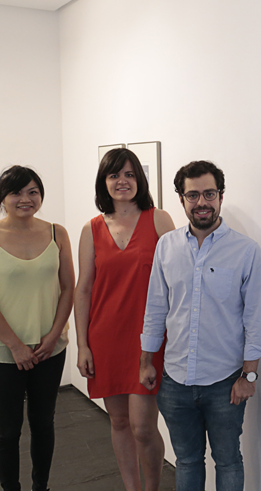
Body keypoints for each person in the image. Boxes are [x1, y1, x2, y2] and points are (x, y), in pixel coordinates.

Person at [139, 160, 261, 491]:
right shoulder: (166, 246)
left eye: (209, 194)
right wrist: (146, 362)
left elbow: (256, 317)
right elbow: (155, 307)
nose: (202, 202)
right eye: (193, 195)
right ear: (181, 199)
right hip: (175, 381)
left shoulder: (245, 251)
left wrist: (249, 375)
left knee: (227, 461)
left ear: (221, 197)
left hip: (225, 383)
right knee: (186, 461)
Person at [0, 166, 74, 491]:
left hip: (49, 349)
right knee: (8, 430)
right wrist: (15, 345)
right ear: (4, 198)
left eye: (33, 192)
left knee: (43, 424)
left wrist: (54, 335)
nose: (25, 199)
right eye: (16, 192)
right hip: (2, 353)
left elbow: (69, 287)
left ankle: (40, 486)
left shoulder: (58, 232)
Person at [74, 149, 175, 491]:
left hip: (149, 339)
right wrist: (82, 344)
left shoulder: (159, 220)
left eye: (130, 175)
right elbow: (84, 289)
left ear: (139, 180)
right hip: (106, 337)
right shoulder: (92, 229)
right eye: (114, 175)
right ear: (104, 182)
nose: (122, 182)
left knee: (144, 427)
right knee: (118, 422)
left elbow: (178, 280)